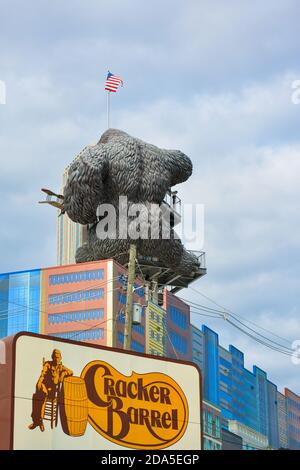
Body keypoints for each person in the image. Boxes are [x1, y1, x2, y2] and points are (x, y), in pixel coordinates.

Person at [28, 349, 73, 432]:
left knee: (40, 397)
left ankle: (38, 421)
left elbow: (71, 372)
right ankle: (37, 421)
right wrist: (39, 383)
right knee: (37, 396)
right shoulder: (47, 364)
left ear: (60, 358)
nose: (56, 359)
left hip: (52, 392)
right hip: (44, 387)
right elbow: (42, 375)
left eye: (58, 357)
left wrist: (63, 374)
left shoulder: (61, 367)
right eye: (55, 357)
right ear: (52, 357)